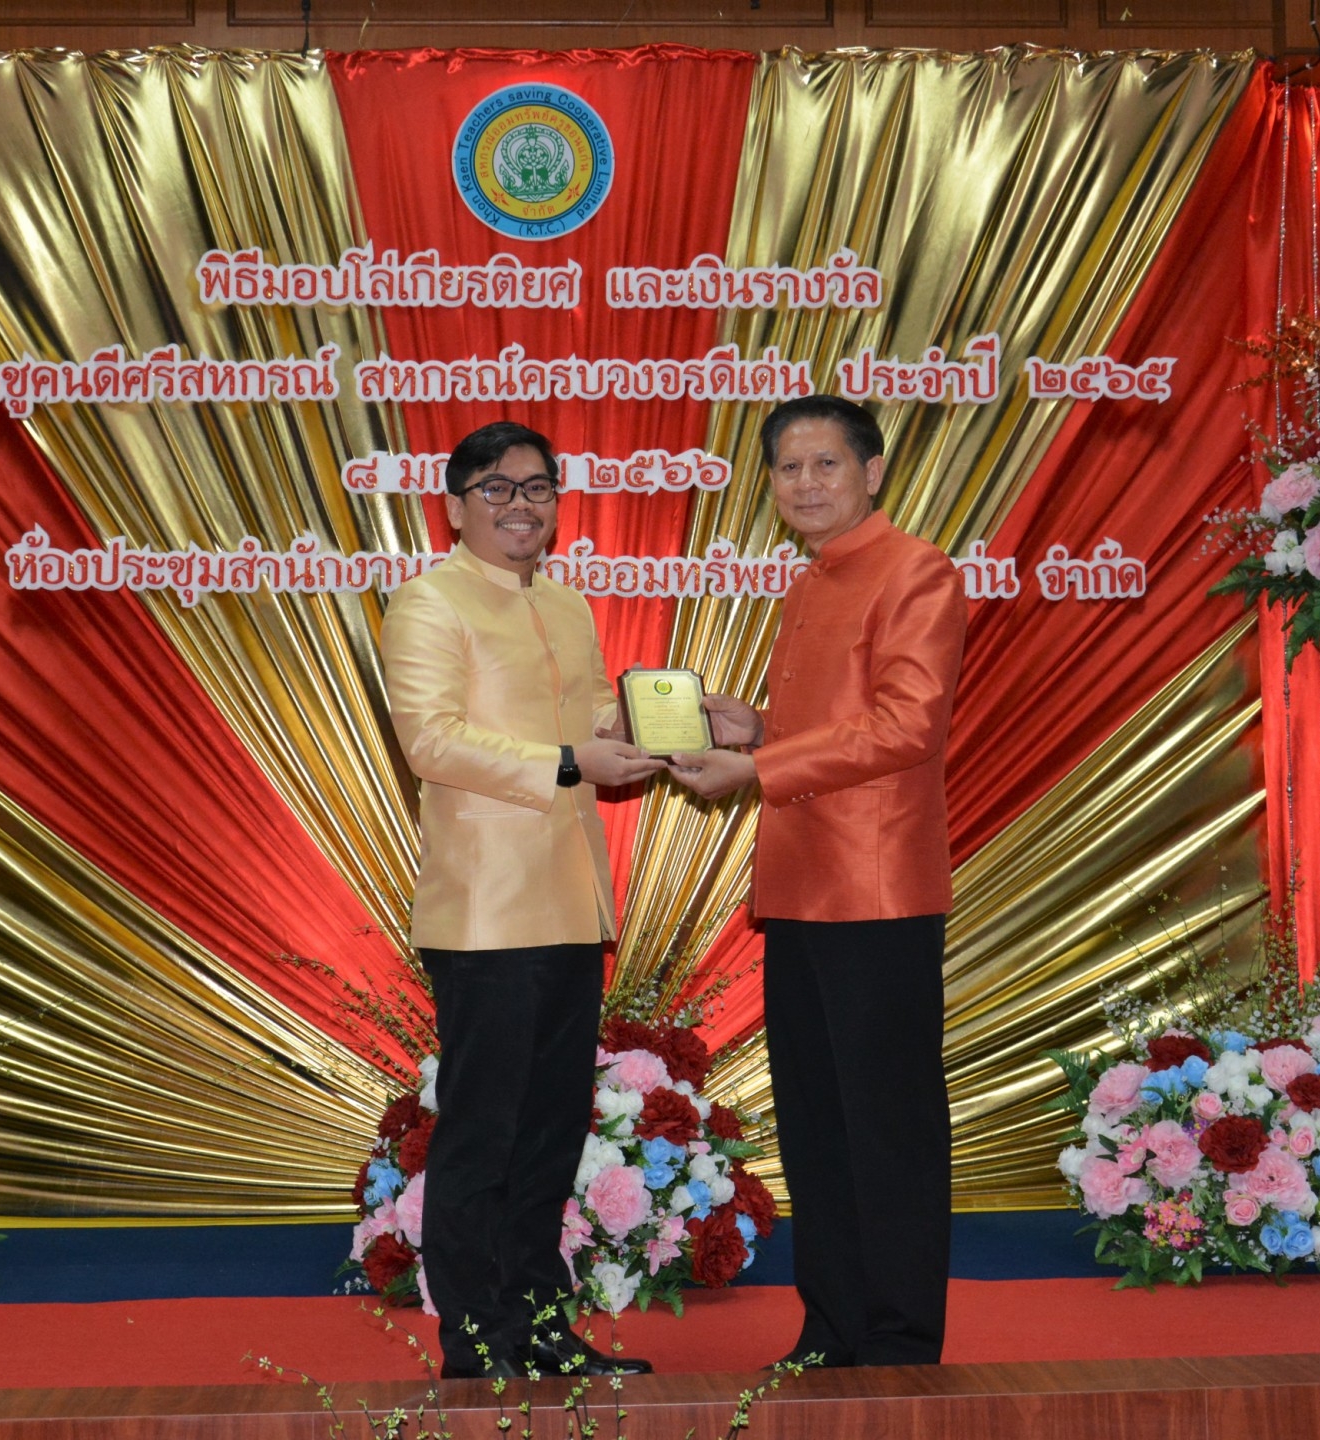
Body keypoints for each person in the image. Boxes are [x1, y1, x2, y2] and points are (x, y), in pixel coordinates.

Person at [668, 395, 965, 1369]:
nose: (805, 483)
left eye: (825, 464)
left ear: (871, 472)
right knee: (817, 1126)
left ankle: (898, 1340)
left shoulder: (915, 571)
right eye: (788, 468)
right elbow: (836, 727)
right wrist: (754, 726)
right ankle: (833, 1329)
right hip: (799, 888)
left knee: (885, 1127)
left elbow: (905, 726)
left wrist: (757, 765)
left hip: (875, 892)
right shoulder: (811, 579)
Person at [380, 420, 662, 1380]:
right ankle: (473, 1342)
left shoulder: (567, 606)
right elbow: (432, 740)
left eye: (537, 488)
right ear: (455, 506)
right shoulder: (429, 602)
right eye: (496, 489)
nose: (520, 506)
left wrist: (656, 721)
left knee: (549, 1137)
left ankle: (541, 1328)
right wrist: (573, 759)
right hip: (486, 912)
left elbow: (582, 723)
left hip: (571, 902)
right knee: (483, 1134)